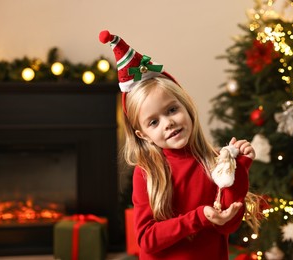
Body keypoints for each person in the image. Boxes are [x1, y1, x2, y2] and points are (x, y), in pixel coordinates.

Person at [99, 30, 261, 260]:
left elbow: (227, 225)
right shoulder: (146, 173)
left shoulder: (213, 161)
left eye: (172, 110)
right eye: (153, 122)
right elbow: (146, 239)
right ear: (143, 135)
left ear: (186, 106)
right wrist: (198, 218)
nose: (168, 123)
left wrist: (239, 171)